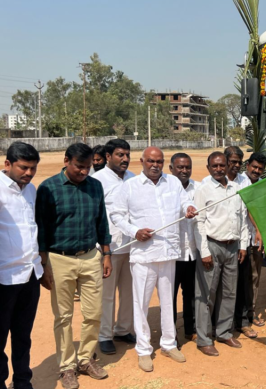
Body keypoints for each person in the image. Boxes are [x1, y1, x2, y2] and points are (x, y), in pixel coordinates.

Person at [111, 147, 197, 372]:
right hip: (144, 255)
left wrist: (189, 208)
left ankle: (169, 344)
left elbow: (185, 201)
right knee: (141, 304)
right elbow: (117, 215)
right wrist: (135, 231)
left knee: (168, 301)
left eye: (159, 161)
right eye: (150, 161)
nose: (155, 165)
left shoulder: (173, 183)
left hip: (168, 252)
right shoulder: (129, 187)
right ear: (142, 161)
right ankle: (143, 350)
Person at [36, 143, 113, 389]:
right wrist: (44, 263)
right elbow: (42, 229)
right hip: (59, 259)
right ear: (66, 160)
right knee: (64, 316)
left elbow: (102, 221)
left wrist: (107, 253)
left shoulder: (95, 186)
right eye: (79, 166)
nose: (84, 172)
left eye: (88, 167)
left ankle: (85, 359)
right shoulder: (48, 188)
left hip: (91, 256)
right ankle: (67, 366)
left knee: (93, 313)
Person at [0, 143, 51, 389]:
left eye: (33, 169)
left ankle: (23, 381)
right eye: (24, 168)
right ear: (8, 164)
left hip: (29, 276)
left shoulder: (30, 189)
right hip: (2, 278)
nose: (29, 173)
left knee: (23, 336)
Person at [194, 151, 248, 357]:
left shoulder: (236, 189)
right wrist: (204, 251)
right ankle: (204, 338)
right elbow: (198, 222)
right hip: (212, 245)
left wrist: (243, 245)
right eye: (214, 166)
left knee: (229, 292)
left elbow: (242, 217)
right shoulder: (204, 190)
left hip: (232, 246)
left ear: (227, 166)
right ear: (208, 168)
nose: (218, 169)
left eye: (222, 165)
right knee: (207, 294)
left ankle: (224, 332)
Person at [92, 139, 136, 355]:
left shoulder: (134, 179)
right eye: (120, 155)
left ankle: (123, 329)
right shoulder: (97, 180)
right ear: (108, 157)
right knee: (107, 295)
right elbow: (94, 216)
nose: (125, 159)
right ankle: (104, 335)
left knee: (129, 292)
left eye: (127, 154)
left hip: (133, 245)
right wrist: (101, 247)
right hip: (107, 248)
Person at [235, 152, 266, 338]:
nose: (256, 171)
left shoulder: (263, 185)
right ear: (247, 165)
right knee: (235, 278)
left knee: (254, 277)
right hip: (238, 237)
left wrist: (261, 232)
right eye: (254, 167)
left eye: (260, 169)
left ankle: (250, 313)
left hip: (256, 239)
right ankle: (232, 316)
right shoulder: (237, 182)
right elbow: (246, 208)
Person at [169, 152, 200, 343]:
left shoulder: (199, 188)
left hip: (192, 251)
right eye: (179, 167)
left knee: (191, 294)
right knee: (168, 297)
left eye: (187, 167)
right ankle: (170, 334)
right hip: (173, 253)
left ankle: (191, 329)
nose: (184, 170)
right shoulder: (165, 190)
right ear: (171, 168)